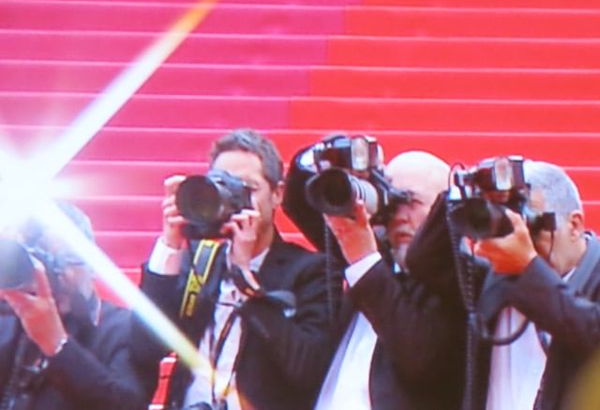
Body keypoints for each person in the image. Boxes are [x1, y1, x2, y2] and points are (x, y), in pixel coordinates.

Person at [131, 129, 334, 410]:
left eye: (248, 189)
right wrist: (170, 244)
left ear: (277, 194)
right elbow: (144, 348)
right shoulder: (200, 260)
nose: (233, 199)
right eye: (221, 186)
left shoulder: (310, 271)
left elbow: (307, 370)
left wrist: (246, 281)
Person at [407, 159, 600, 410]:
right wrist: (465, 192)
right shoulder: (495, 278)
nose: (521, 242)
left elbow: (590, 331)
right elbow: (425, 260)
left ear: (573, 226)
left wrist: (528, 268)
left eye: (531, 227)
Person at [284, 144, 464, 410]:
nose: (399, 216)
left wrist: (364, 260)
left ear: (444, 211)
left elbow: (420, 359)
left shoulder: (456, 280)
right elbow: (300, 201)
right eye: (392, 202)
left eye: (412, 202)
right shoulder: (374, 257)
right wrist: (328, 155)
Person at [0, 202, 148, 410]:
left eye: (70, 259)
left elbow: (129, 404)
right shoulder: (11, 319)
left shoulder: (126, 329)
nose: (62, 275)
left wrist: (58, 344)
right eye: (44, 262)